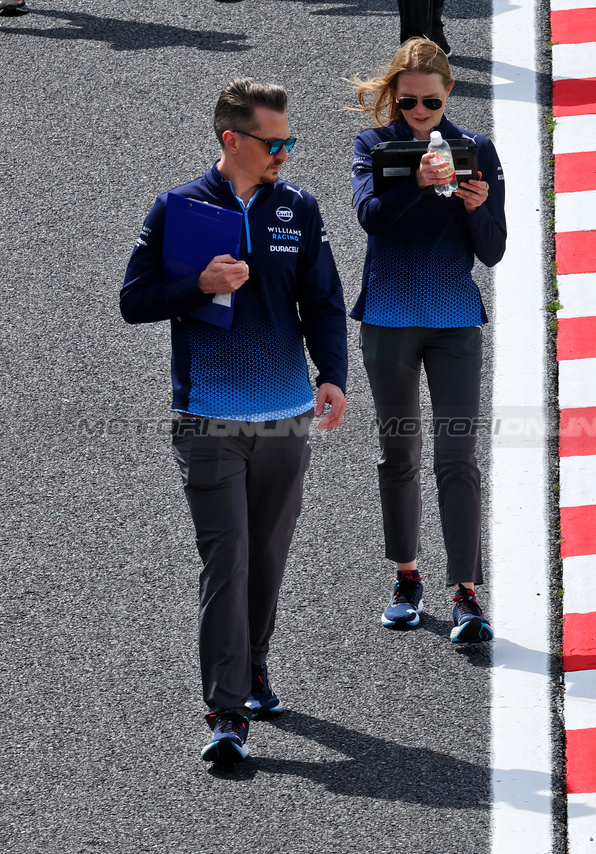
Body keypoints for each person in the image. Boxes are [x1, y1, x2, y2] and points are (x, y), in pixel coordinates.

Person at [122, 78, 348, 763]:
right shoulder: (178, 209)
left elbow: (325, 302)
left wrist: (332, 374)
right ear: (233, 139)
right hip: (208, 420)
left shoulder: (299, 210)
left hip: (286, 420)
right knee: (227, 559)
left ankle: (254, 666)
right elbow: (134, 301)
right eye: (274, 142)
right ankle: (226, 714)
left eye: (289, 141)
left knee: (267, 558)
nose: (285, 152)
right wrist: (199, 286)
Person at [349, 38, 505, 642]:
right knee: (399, 451)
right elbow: (370, 218)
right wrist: (415, 180)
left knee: (457, 455)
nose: (420, 111)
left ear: (449, 95)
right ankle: (407, 577)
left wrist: (475, 207)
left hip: (455, 321)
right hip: (388, 319)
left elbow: (492, 249)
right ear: (394, 96)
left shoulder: (478, 150)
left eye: (431, 101)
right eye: (408, 100)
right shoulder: (373, 145)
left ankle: (466, 591)